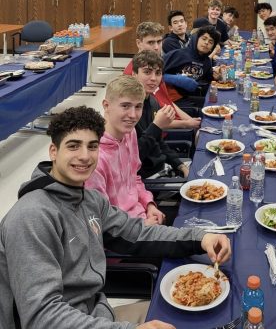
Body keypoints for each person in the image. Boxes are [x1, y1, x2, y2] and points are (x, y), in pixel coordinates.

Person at [0, 106, 231, 329]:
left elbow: (139, 233)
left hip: (98, 315)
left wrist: (200, 238)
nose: (84, 156)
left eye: (92, 146)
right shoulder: (31, 217)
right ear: (53, 151)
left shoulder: (90, 200)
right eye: (73, 146)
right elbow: (42, 317)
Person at [85, 76, 167, 226]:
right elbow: (101, 219)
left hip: (141, 216)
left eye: (138, 107)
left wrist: (148, 204)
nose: (133, 115)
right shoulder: (94, 157)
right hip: (122, 235)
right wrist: (142, 227)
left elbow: (134, 177)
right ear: (106, 105)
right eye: (125, 106)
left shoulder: (130, 134)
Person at [132, 50, 199, 179]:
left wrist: (180, 166)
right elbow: (134, 157)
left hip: (163, 167)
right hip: (146, 177)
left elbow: (159, 143)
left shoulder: (152, 101)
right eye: (147, 72)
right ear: (134, 74)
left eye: (158, 73)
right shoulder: (129, 110)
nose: (153, 78)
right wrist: (156, 126)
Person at [163, 25, 224, 108]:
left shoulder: (207, 62)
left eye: (210, 42)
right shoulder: (178, 54)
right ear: (196, 39)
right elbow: (155, 73)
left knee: (217, 104)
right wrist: (174, 79)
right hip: (170, 98)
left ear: (212, 48)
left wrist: (216, 77)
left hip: (188, 96)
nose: (206, 43)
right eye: (204, 38)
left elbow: (208, 79)